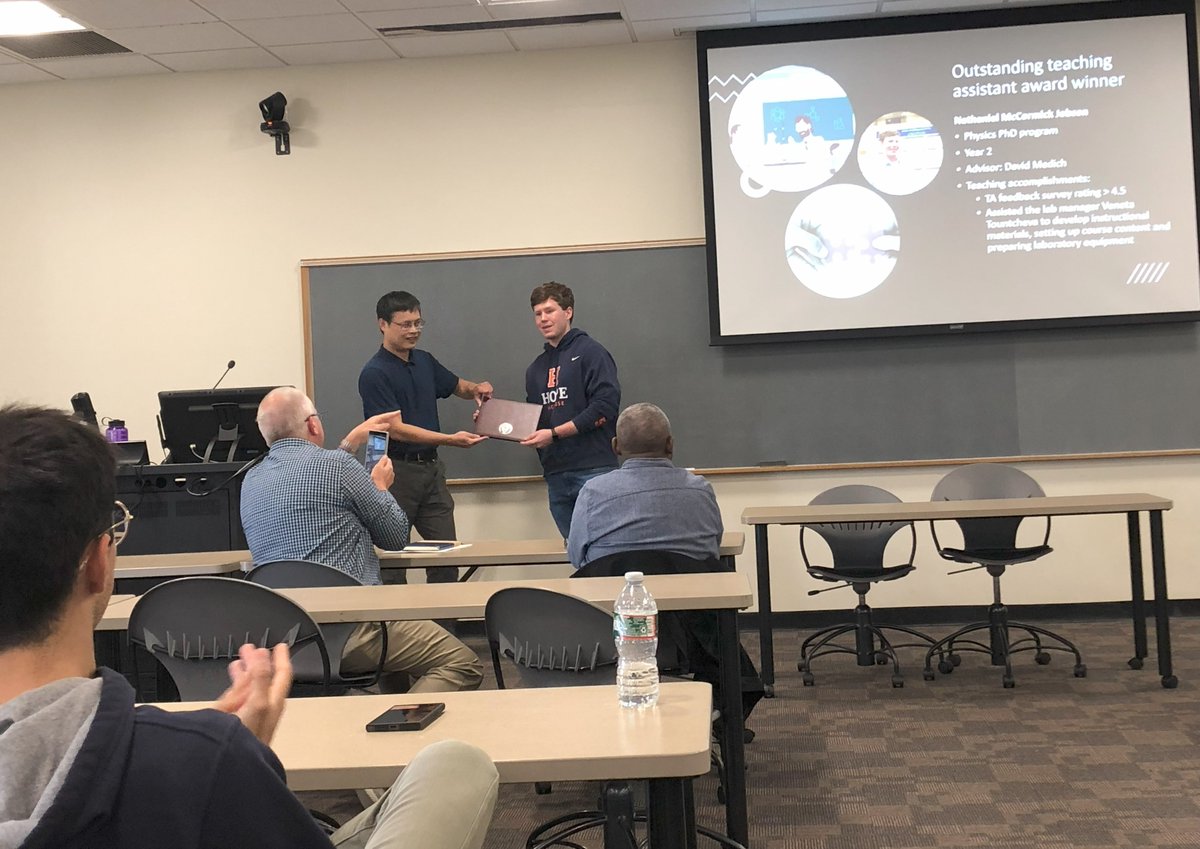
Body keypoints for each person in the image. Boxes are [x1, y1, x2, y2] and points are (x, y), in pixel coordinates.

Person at [0, 403, 499, 849]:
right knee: (455, 734)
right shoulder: (190, 757)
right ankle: (398, 748)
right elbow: (393, 535)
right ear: (98, 564)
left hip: (281, 634)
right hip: (349, 635)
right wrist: (228, 763)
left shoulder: (253, 478)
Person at [240, 387, 483, 694]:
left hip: (287, 638)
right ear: (313, 425)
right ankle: (397, 724)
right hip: (354, 630)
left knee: (394, 654)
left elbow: (314, 482)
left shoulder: (251, 480)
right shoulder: (339, 467)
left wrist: (351, 441)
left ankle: (390, 717)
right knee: (462, 663)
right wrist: (380, 487)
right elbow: (395, 537)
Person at [358, 291, 493, 583]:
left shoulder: (424, 361)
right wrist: (448, 439)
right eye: (405, 324)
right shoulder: (374, 373)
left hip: (431, 471)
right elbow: (395, 427)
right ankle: (397, 628)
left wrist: (476, 389)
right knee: (392, 559)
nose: (413, 330)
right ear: (383, 324)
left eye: (418, 323)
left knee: (446, 556)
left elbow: (456, 385)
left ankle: (445, 628)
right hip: (395, 472)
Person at [520, 281, 620, 539]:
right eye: (538, 313)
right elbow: (535, 419)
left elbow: (604, 406)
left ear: (568, 312)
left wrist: (554, 434)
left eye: (550, 311)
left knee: (605, 548)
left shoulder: (591, 352)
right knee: (574, 552)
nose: (543, 319)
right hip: (556, 474)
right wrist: (493, 419)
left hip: (594, 469)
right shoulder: (536, 369)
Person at [567, 402, 722, 568]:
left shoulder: (592, 492)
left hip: (614, 591)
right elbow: (714, 545)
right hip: (694, 591)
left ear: (615, 446)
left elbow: (576, 556)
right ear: (670, 444)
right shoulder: (700, 489)